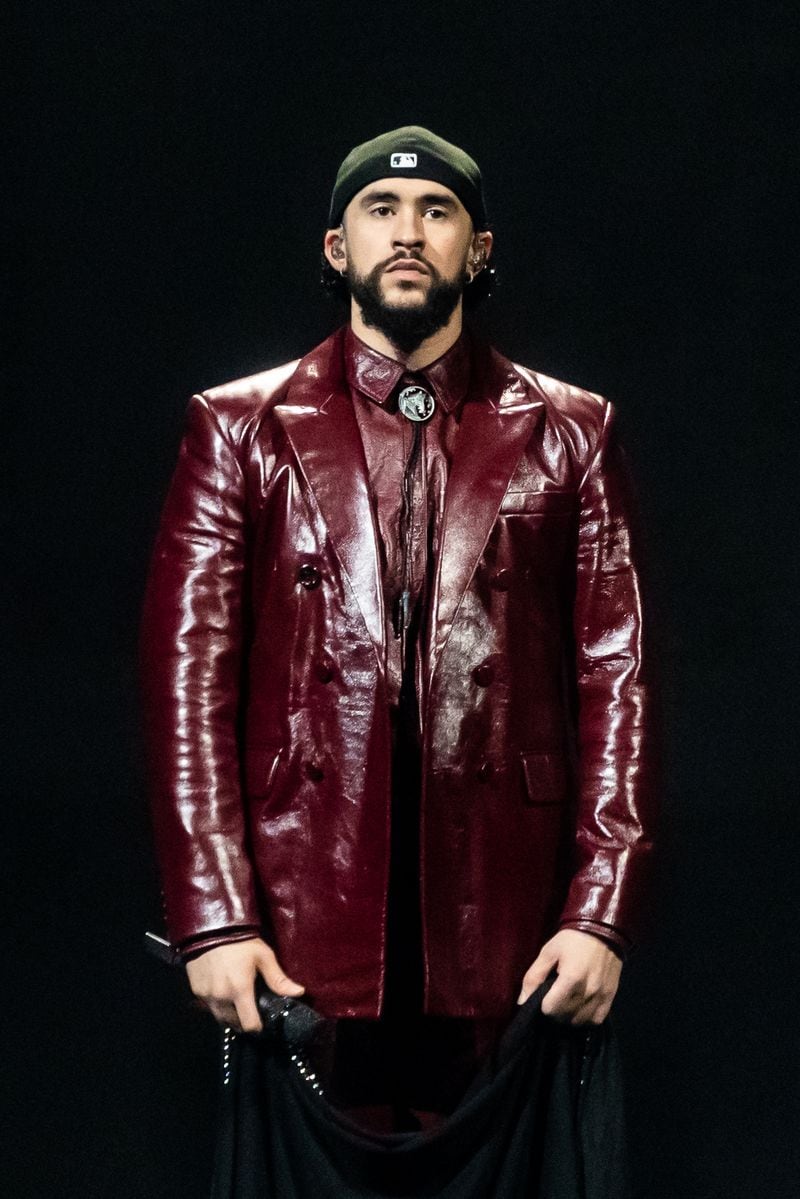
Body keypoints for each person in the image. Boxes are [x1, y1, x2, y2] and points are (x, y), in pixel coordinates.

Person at [141, 126, 655, 1134]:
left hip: (506, 920)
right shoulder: (239, 427)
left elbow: (618, 676)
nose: (407, 232)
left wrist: (601, 909)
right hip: (301, 916)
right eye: (379, 211)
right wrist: (214, 913)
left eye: (434, 212)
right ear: (338, 249)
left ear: (479, 246)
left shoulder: (571, 430)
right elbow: (187, 684)